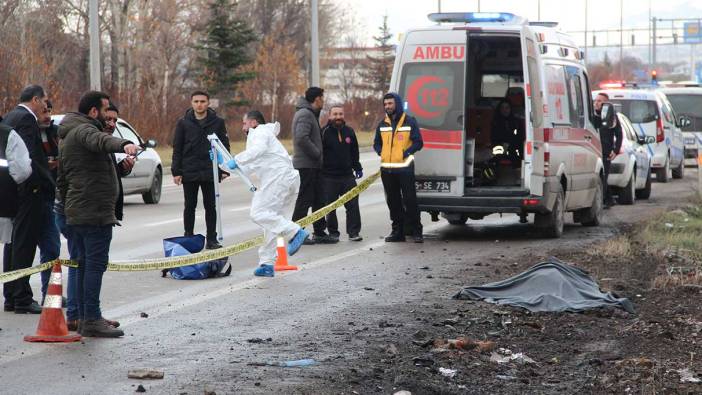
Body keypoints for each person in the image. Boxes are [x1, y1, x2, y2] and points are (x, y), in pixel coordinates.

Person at [57, 91, 138, 337]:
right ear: (94, 112)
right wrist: (125, 144)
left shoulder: (72, 132)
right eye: (105, 111)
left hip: (81, 211)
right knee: (93, 266)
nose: (108, 117)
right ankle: (90, 319)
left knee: (83, 265)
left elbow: (63, 179)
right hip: (92, 214)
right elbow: (102, 141)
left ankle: (84, 316)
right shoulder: (84, 131)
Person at [226, 110, 309, 277]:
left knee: (258, 213)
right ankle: (267, 264)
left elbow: (257, 151)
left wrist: (238, 159)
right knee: (272, 221)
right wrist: (223, 164)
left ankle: (295, 232)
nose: (243, 128)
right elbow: (247, 169)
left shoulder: (260, 132)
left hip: (278, 179)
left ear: (253, 122)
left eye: (244, 123)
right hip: (286, 180)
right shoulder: (260, 139)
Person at [2, 85, 53, 314]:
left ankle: (11, 294)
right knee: (24, 243)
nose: (45, 105)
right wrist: (45, 181)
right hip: (27, 190)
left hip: (12, 189)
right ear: (35, 99)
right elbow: (27, 157)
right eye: (44, 101)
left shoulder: (12, 115)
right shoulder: (26, 119)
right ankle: (22, 296)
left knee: (13, 242)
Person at [171, 91, 230, 249]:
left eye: (203, 101)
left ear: (208, 103)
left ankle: (212, 239)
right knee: (190, 206)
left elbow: (224, 147)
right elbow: (177, 148)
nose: (199, 104)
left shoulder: (218, 122)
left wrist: (223, 168)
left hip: (209, 170)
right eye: (196, 101)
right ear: (191, 103)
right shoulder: (183, 122)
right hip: (189, 170)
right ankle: (188, 237)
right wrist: (176, 171)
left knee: (211, 206)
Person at [373, 92, 424, 243]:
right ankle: (398, 232)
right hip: (387, 170)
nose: (387, 107)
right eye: (385, 104)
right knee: (393, 202)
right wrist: (380, 151)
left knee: (410, 201)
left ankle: (416, 231)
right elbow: (376, 143)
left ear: (397, 104)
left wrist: (406, 152)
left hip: (405, 169)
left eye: (390, 103)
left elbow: (418, 142)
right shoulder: (382, 124)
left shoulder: (409, 121)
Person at [291, 87, 335, 244]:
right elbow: (301, 138)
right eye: (322, 98)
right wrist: (317, 153)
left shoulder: (309, 113)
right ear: (317, 99)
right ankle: (296, 233)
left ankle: (319, 231)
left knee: (318, 198)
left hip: (313, 165)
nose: (323, 101)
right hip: (307, 164)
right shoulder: (305, 114)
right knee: (305, 199)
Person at [0, 123, 33, 308]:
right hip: (5, 202)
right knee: (12, 245)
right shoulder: (7, 133)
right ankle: (14, 295)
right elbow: (22, 171)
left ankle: (11, 295)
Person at [321, 104, 363, 242]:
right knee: (330, 208)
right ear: (330, 116)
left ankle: (354, 232)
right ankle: (333, 233)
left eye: (340, 114)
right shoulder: (324, 132)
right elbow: (319, 154)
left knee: (353, 205)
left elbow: (354, 152)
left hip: (347, 176)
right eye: (335, 114)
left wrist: (357, 167)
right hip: (329, 177)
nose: (338, 117)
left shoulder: (350, 131)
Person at [36, 101, 62, 305]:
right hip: (32, 197)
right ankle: (18, 296)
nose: (46, 116)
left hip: (52, 196)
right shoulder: (29, 133)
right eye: (43, 111)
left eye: (49, 111)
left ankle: (50, 294)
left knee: (52, 248)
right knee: (20, 249)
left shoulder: (57, 132)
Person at [593, 92, 623, 209]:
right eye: (596, 100)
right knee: (599, 177)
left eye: (599, 101)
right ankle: (609, 199)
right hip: (593, 151)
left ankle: (602, 202)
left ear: (606, 104)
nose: (596, 103)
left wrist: (615, 150)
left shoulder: (612, 117)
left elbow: (619, 135)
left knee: (603, 177)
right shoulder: (591, 115)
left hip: (605, 152)